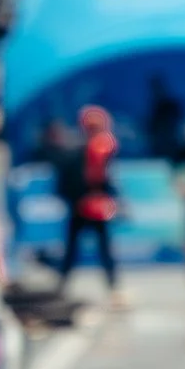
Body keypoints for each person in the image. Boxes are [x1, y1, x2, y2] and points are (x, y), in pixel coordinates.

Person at [54, 104, 122, 292]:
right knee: (73, 247)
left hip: (96, 204)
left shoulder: (101, 147)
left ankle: (112, 285)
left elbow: (106, 176)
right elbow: (68, 180)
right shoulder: (76, 150)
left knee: (103, 247)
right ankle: (63, 283)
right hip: (80, 204)